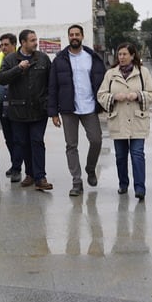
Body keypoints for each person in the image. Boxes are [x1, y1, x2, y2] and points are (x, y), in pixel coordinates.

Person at [48, 24, 105, 197]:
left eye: (77, 34)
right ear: (68, 37)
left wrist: (104, 104)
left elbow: (103, 81)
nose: (74, 37)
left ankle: (90, 168)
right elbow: (53, 87)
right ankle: (76, 181)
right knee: (71, 145)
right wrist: (53, 113)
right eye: (71, 34)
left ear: (82, 36)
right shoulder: (59, 60)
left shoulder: (93, 57)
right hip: (68, 108)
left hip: (89, 107)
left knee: (96, 140)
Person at [97, 42, 152, 201]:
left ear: (132, 55)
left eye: (125, 54)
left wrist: (138, 95)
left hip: (138, 120)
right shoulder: (110, 74)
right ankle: (123, 184)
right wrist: (113, 97)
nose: (122, 57)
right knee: (121, 156)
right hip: (118, 120)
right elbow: (101, 95)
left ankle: (140, 188)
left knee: (137, 154)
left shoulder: (143, 72)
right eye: (119, 54)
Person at [0, 29, 54, 190]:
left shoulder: (43, 58)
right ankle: (30, 174)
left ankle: (40, 177)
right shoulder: (10, 59)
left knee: (37, 141)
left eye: (36, 39)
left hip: (38, 109)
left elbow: (51, 82)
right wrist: (18, 68)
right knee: (23, 143)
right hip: (18, 110)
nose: (36, 43)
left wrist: (50, 103)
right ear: (23, 43)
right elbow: (1, 79)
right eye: (32, 40)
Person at [0, 33, 20, 178]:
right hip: (3, 105)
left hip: (17, 106)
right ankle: (15, 164)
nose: (3, 48)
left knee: (18, 139)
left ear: (14, 45)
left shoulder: (19, 60)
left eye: (6, 45)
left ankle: (18, 168)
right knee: (9, 138)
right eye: (1, 45)